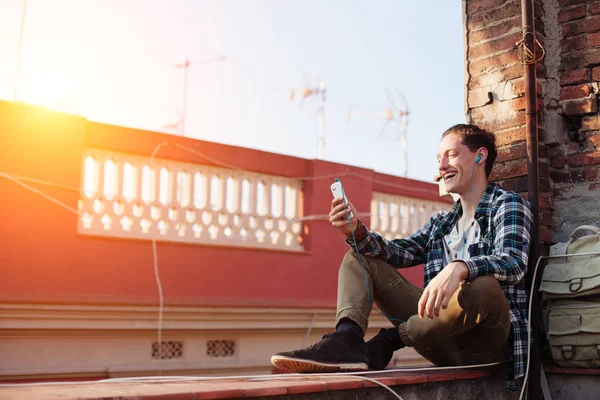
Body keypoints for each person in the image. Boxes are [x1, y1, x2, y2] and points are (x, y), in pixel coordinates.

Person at [271, 124, 533, 392]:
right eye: (438, 159)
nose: (442, 166)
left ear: (480, 155)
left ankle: (387, 341)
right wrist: (355, 230)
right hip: (438, 340)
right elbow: (397, 252)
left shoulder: (506, 204)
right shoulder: (442, 222)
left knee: (483, 285)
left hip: (485, 345)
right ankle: (346, 339)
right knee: (358, 256)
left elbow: (514, 261)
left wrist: (460, 267)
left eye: (451, 155)